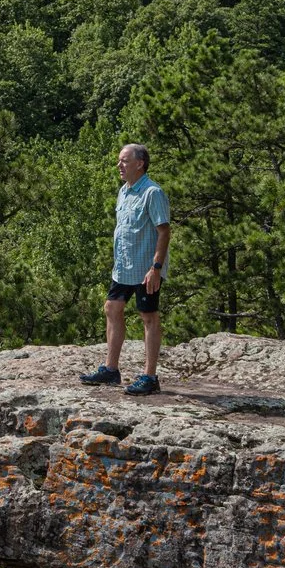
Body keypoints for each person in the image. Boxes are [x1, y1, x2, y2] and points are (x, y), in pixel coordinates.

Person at [82, 143, 172, 395]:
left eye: (124, 160)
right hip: (124, 267)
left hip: (146, 268)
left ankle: (150, 377)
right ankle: (111, 370)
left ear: (140, 163)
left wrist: (156, 267)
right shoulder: (124, 191)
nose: (119, 165)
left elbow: (164, 232)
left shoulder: (152, 193)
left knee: (148, 316)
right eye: (119, 161)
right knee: (112, 308)